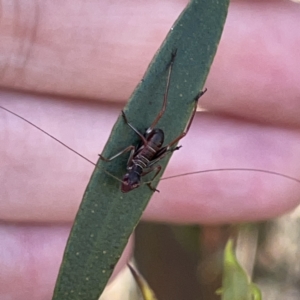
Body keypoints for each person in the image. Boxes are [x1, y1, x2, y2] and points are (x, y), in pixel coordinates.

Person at [0, 1, 299, 299]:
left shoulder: (136, 168)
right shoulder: (136, 171)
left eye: (129, 181)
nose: (127, 182)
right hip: (150, 144)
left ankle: (191, 97)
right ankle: (189, 97)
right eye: (130, 182)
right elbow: (139, 162)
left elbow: (140, 160)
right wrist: (132, 164)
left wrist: (134, 160)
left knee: (167, 115)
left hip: (149, 139)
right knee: (174, 126)